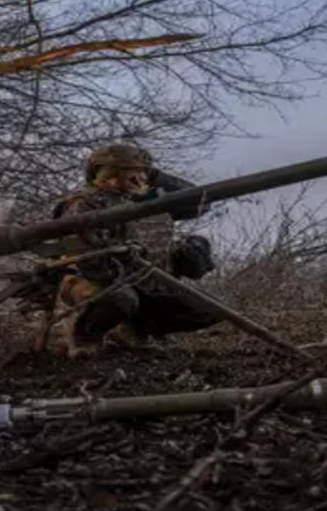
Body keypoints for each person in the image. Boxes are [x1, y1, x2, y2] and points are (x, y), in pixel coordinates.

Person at [49, 143, 221, 357]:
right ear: (106, 174)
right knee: (120, 299)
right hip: (95, 282)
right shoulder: (85, 205)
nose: (139, 178)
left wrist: (157, 176)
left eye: (142, 173)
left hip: (147, 280)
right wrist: (128, 262)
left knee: (209, 309)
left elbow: (200, 202)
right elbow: (88, 261)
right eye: (131, 173)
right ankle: (85, 337)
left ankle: (134, 332)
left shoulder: (151, 201)